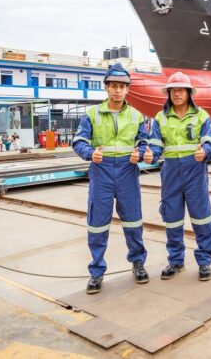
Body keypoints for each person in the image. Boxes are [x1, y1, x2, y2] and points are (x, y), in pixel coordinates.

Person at [72, 63, 151, 294]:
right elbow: (79, 141)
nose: (118, 90)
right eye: (113, 86)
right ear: (106, 88)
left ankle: (138, 263)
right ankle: (96, 271)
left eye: (122, 86)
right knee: (97, 224)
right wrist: (90, 153)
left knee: (133, 221)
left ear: (128, 89)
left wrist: (140, 152)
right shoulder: (92, 114)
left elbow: (143, 141)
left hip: (128, 170)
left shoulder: (136, 116)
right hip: (101, 171)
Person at [145, 72, 211, 281]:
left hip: (195, 169)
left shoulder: (201, 116)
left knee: (202, 217)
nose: (177, 94)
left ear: (188, 93)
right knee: (172, 218)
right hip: (171, 171)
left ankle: (204, 261)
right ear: (168, 93)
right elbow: (156, 146)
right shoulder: (160, 118)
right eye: (173, 90)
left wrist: (205, 152)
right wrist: (150, 155)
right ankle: (176, 260)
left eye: (180, 90)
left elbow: (209, 143)